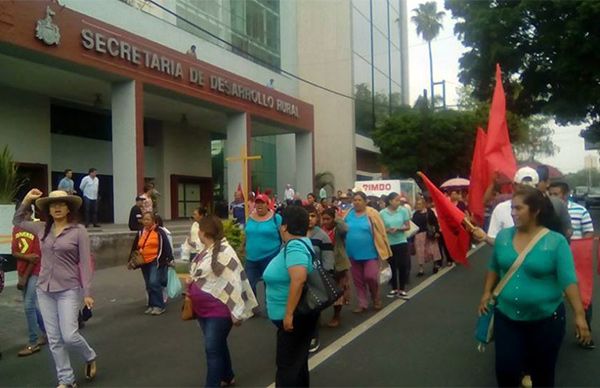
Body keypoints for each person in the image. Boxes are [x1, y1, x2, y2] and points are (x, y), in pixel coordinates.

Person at [478, 186, 591, 387]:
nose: (513, 213)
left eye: (518, 208)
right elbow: (494, 266)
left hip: (546, 321)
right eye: (512, 208)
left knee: (543, 375)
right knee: (506, 370)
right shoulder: (504, 236)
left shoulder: (556, 242)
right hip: (507, 318)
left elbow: (568, 280)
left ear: (535, 210)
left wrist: (580, 316)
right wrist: (486, 293)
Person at [14, 189, 97, 387]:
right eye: (53, 205)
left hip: (68, 289)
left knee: (69, 335)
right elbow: (17, 220)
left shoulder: (78, 231)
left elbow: (85, 264)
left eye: (61, 204)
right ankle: (66, 379)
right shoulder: (41, 228)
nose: (57, 207)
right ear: (48, 210)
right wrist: (27, 200)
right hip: (44, 289)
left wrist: (87, 293)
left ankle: (89, 355)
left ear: (68, 208)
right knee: (54, 339)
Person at [187, 215, 258, 387]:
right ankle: (227, 376)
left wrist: (236, 311)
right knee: (218, 344)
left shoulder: (226, 252)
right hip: (202, 310)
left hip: (218, 312)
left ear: (203, 232)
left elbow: (234, 283)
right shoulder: (205, 252)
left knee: (212, 350)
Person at [263, 206, 318, 387]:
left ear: (284, 227)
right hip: (297, 316)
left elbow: (299, 278)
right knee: (297, 363)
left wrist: (288, 314)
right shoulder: (296, 244)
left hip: (295, 317)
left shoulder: (295, 246)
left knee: (287, 366)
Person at [549, 181, 595, 349]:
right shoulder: (547, 212)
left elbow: (588, 232)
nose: (553, 197)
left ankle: (585, 333)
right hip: (554, 257)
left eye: (556, 194)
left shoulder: (580, 211)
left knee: (583, 295)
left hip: (576, 256)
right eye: (551, 194)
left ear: (566, 194)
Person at [344, 191, 392, 313]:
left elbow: (381, 232)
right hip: (352, 253)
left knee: (370, 276)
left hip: (370, 253)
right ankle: (362, 303)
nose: (357, 202)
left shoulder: (372, 214)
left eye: (359, 200)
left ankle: (375, 296)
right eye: (355, 200)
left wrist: (384, 248)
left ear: (365, 202)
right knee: (358, 280)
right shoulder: (348, 214)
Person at [12, 203, 47, 357]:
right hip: (22, 270)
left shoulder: (35, 229)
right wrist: (24, 257)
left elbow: (36, 258)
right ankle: (47, 332)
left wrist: (24, 278)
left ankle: (33, 342)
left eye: (23, 213)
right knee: (31, 306)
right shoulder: (16, 229)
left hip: (35, 271)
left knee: (28, 306)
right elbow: (14, 252)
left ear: (29, 213)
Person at [130, 212, 174, 315]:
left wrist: (169, 259)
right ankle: (151, 304)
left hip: (156, 260)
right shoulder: (141, 232)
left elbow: (166, 246)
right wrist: (131, 260)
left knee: (154, 282)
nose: (145, 222)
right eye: (144, 219)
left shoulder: (160, 232)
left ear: (153, 221)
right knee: (149, 284)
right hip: (144, 261)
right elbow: (135, 246)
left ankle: (159, 305)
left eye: (148, 219)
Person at [305, 205, 335, 353]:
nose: (309, 219)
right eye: (307, 216)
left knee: (312, 307)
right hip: (299, 277)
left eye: (312, 216)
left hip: (316, 278)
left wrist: (327, 273)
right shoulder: (296, 233)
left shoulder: (322, 235)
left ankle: (313, 336)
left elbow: (328, 257)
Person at [244, 194, 283, 299]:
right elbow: (246, 235)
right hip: (251, 258)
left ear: (267, 204)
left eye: (262, 203)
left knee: (270, 284)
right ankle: (252, 309)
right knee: (248, 284)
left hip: (270, 257)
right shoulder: (250, 218)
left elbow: (284, 236)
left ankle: (270, 308)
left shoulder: (276, 218)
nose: (259, 205)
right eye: (257, 203)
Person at [320, 207, 351, 328]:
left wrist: (338, 219)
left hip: (338, 264)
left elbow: (345, 228)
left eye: (328, 219)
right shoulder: (319, 230)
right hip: (323, 264)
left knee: (338, 290)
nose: (325, 221)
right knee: (321, 290)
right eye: (323, 219)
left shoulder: (338, 230)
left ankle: (336, 315)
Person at [380, 192, 412, 299]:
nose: (399, 202)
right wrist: (387, 230)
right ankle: (394, 288)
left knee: (403, 265)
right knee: (392, 265)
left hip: (401, 241)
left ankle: (402, 288)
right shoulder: (382, 213)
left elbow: (408, 226)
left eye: (399, 200)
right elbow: (380, 228)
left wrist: (398, 229)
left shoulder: (403, 211)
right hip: (389, 242)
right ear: (390, 201)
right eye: (396, 200)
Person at [411, 197, 442, 275]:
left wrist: (437, 231)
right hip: (419, 235)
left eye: (420, 204)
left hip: (429, 234)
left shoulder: (429, 212)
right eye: (417, 204)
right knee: (420, 251)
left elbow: (435, 222)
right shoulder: (415, 214)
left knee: (433, 250)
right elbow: (413, 225)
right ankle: (421, 269)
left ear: (424, 204)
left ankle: (435, 265)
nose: (418, 206)